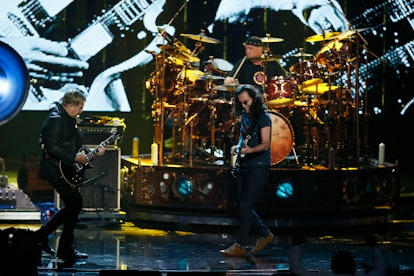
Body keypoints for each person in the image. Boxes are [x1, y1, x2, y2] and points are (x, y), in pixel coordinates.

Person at [35, 90, 105, 263]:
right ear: (71, 105)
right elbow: (52, 147)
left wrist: (92, 152)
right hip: (55, 170)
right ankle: (64, 249)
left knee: (73, 205)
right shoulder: (55, 120)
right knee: (75, 203)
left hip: (64, 169)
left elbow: (77, 145)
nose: (81, 110)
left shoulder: (69, 119)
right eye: (80, 107)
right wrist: (74, 158)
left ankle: (43, 236)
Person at [220, 84, 274, 257]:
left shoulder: (263, 117)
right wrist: (237, 147)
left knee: (245, 205)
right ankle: (265, 234)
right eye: (241, 103)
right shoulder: (245, 115)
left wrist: (250, 151)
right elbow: (245, 137)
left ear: (255, 99)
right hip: (245, 164)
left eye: (246, 102)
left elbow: (265, 143)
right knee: (240, 205)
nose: (244, 106)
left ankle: (240, 245)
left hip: (258, 166)